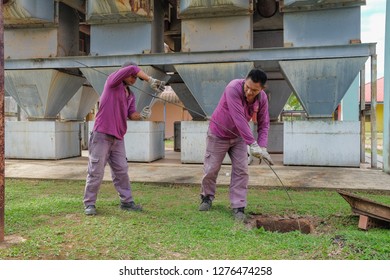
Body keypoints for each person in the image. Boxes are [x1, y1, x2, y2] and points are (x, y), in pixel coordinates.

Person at [83, 62, 165, 215]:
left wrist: (141, 116)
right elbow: (132, 68)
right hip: (102, 135)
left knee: (121, 171)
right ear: (123, 73)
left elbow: (131, 114)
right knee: (96, 170)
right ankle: (89, 204)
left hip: (118, 137)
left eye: (136, 77)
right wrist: (150, 80)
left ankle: (126, 202)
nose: (134, 78)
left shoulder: (131, 95)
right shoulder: (112, 83)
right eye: (132, 76)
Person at [199, 68, 274, 221]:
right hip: (218, 134)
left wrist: (263, 146)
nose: (249, 92)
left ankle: (238, 206)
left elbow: (264, 123)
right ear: (244, 80)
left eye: (254, 90)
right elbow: (239, 118)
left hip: (239, 137)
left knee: (242, 170)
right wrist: (253, 144)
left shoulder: (262, 98)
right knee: (211, 169)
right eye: (247, 87)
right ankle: (206, 197)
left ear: (262, 89)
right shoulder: (233, 88)